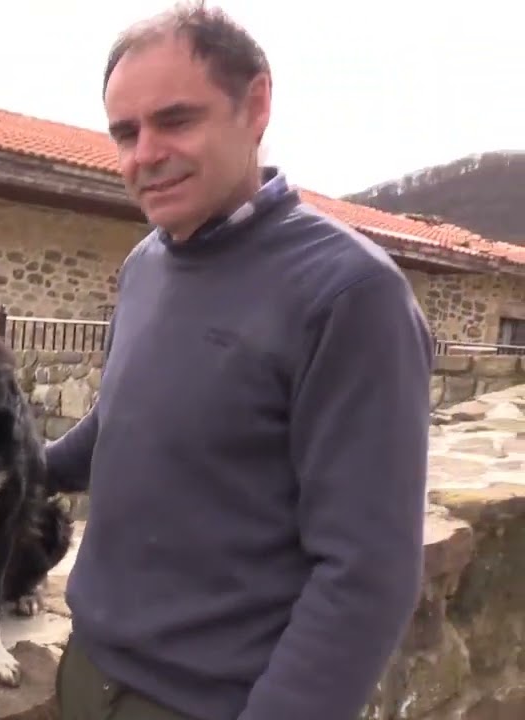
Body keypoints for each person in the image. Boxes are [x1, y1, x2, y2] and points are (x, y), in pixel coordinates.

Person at [46, 3, 434, 719]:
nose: (145, 154)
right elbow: (123, 421)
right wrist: (0, 463)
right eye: (125, 133)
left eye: (175, 120)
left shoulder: (351, 294)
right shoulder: (145, 266)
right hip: (86, 673)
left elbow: (366, 575)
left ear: (255, 104)